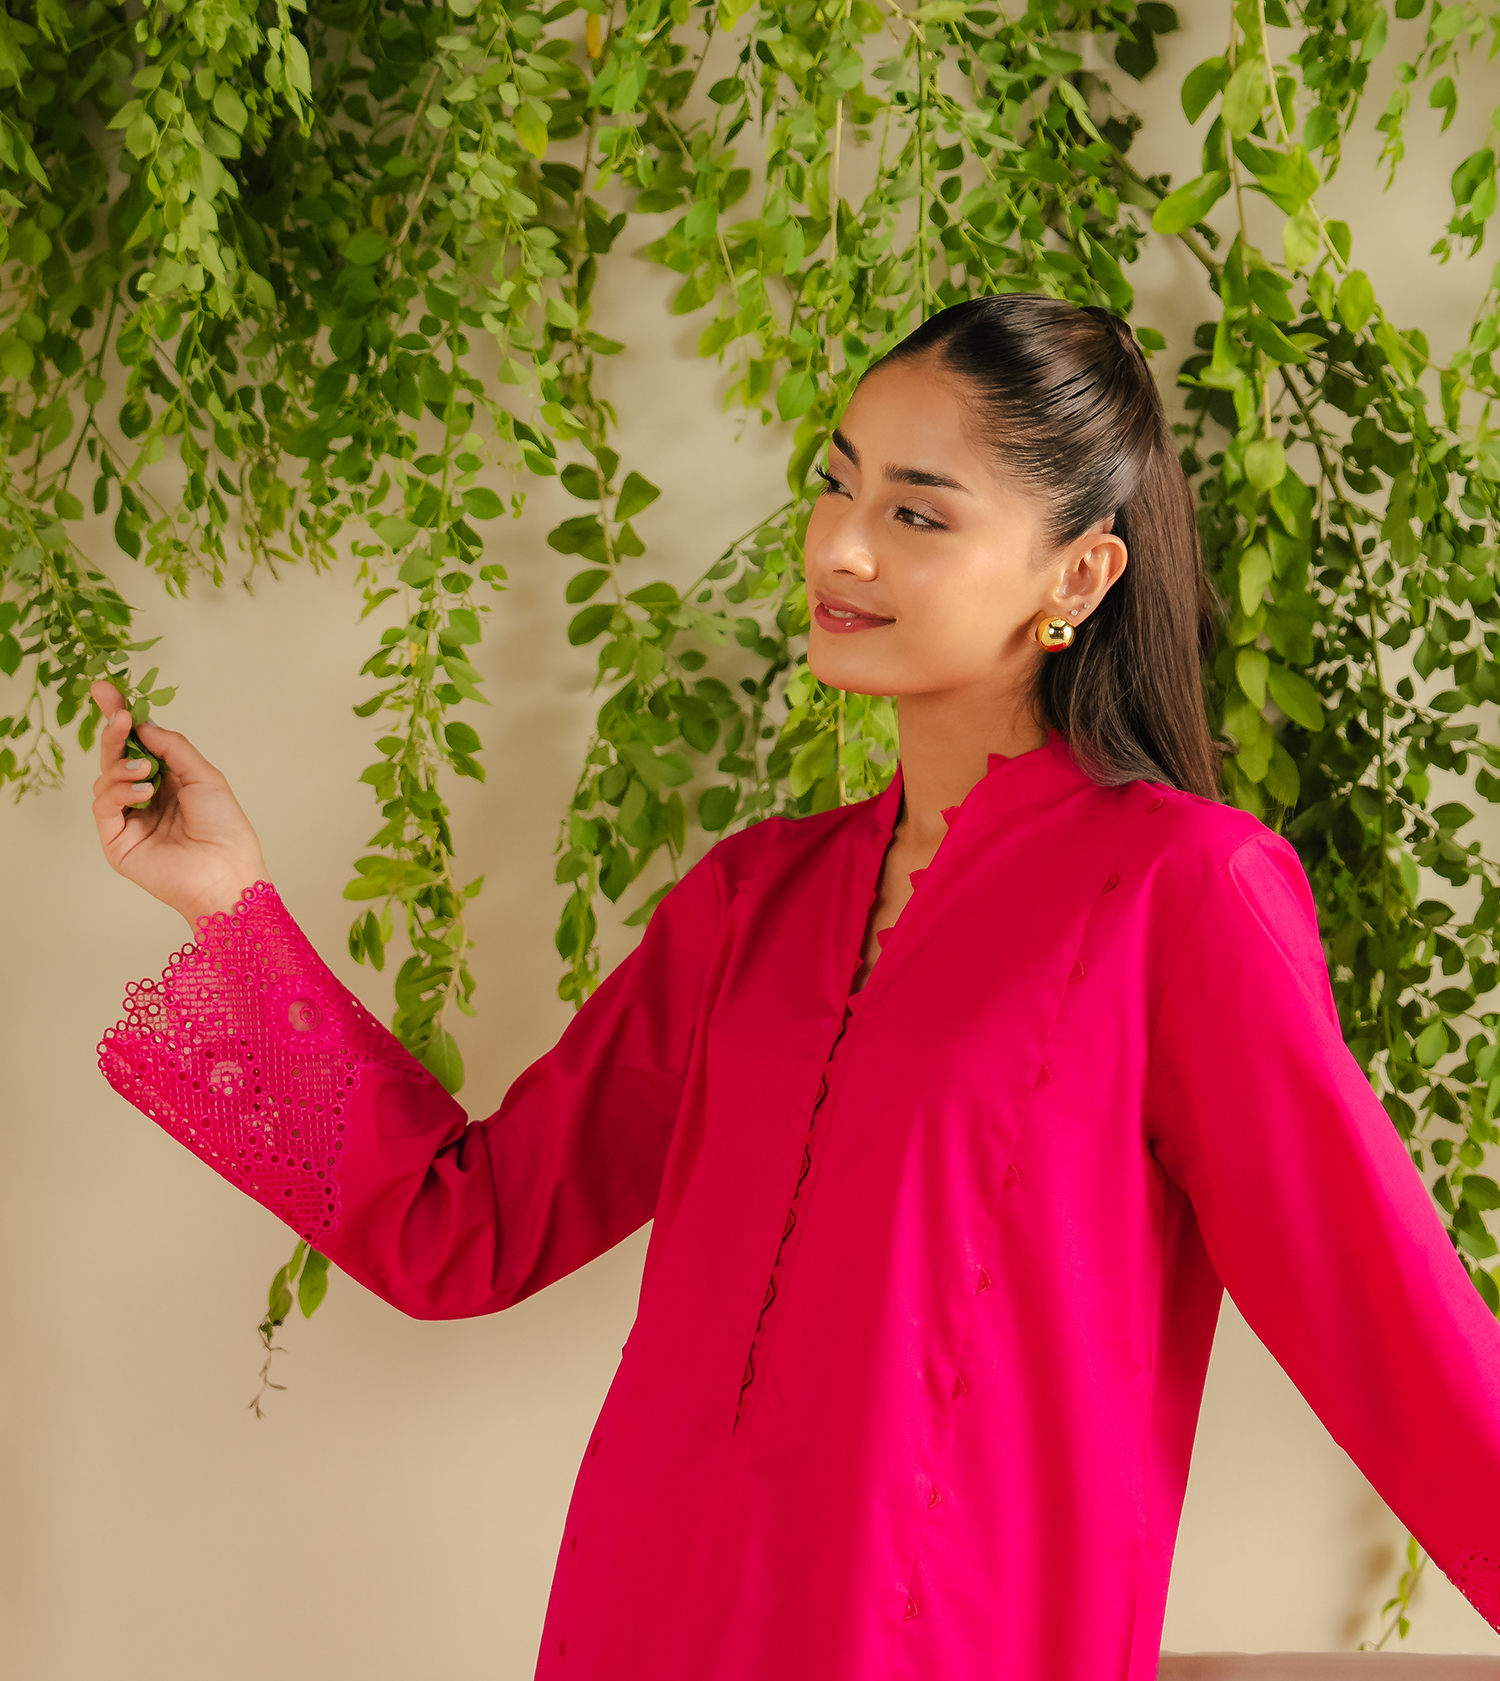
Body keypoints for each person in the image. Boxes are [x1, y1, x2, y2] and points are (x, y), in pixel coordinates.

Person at [90, 295, 1500, 1680]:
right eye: (838, 485)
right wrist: (228, 906)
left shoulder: (1181, 894)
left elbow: (1397, 1336)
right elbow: (468, 1230)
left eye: (918, 513)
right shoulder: (755, 898)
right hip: (640, 1623)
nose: (840, 544)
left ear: (1077, 578)